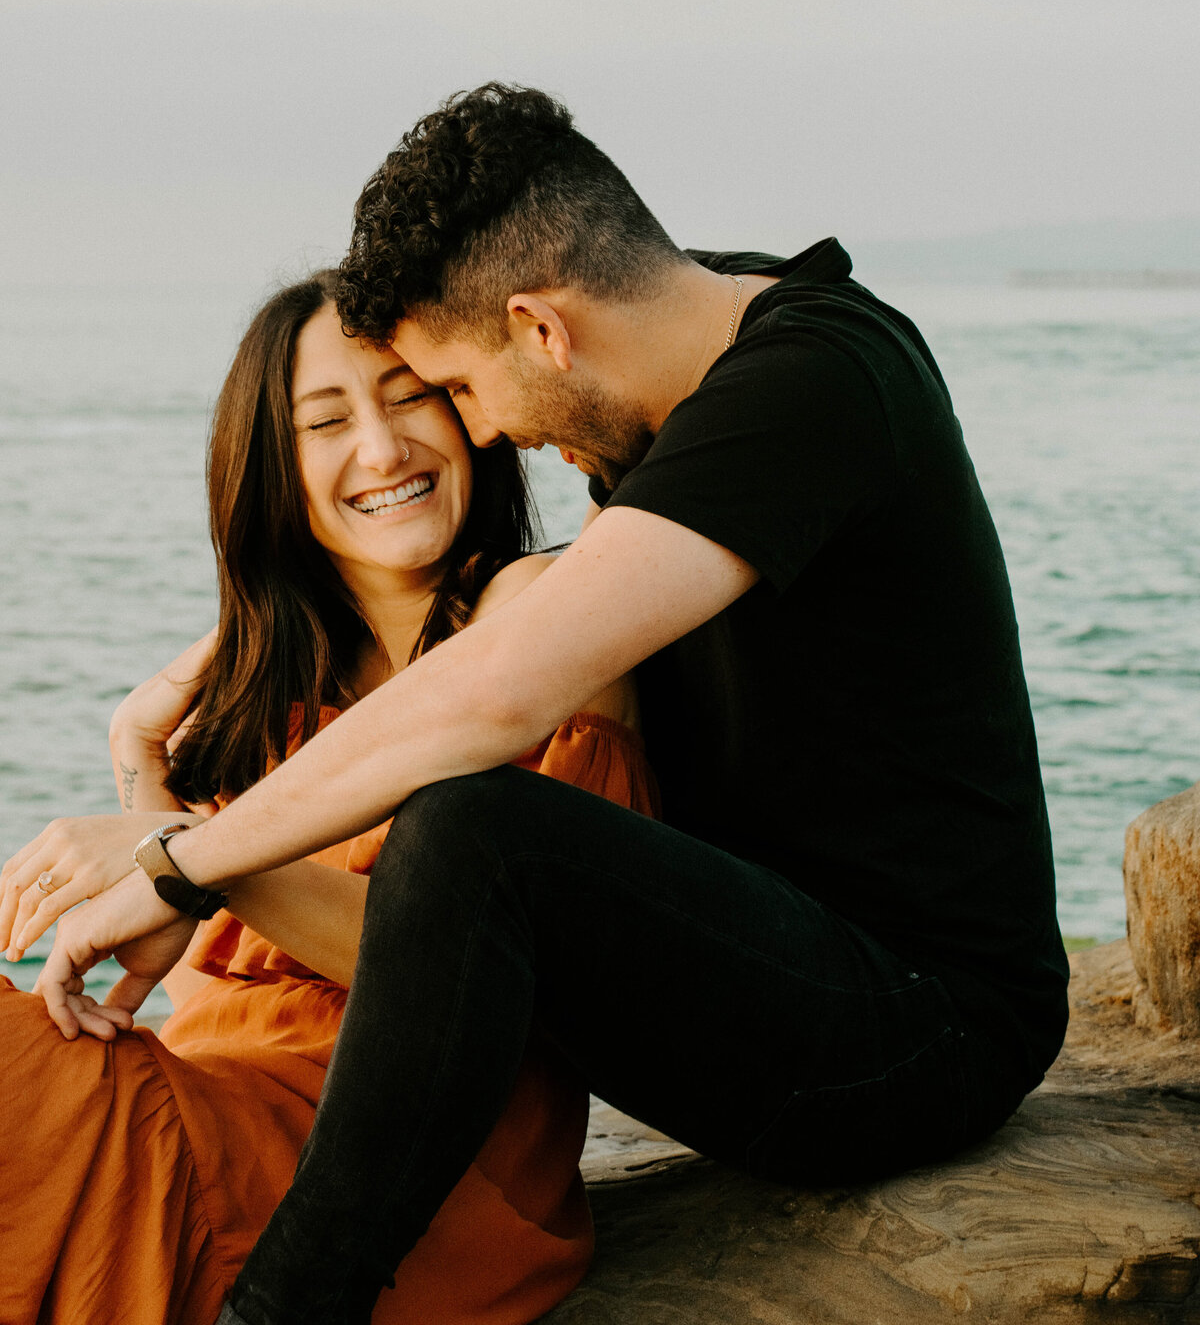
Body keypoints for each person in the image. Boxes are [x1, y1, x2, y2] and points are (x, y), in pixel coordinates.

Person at [27, 85, 1068, 1325]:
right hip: (755, 969)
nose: (482, 434)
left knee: (476, 832)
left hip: (922, 1033)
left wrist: (180, 866)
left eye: (454, 390)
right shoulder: (678, 339)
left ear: (542, 328)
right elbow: (505, 624)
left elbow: (501, 686)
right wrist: (260, 628)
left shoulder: (810, 385)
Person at [0, 268, 655, 1325]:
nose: (384, 449)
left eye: (408, 397)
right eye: (327, 421)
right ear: (274, 467)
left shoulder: (537, 621)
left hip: (400, 1179)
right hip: (215, 1120)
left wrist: (183, 855)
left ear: (465, 413)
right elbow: (199, 994)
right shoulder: (275, 693)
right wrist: (139, 752)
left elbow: (480, 978)